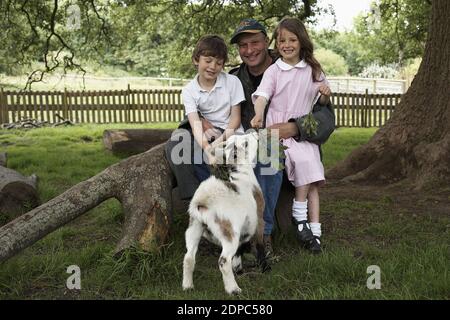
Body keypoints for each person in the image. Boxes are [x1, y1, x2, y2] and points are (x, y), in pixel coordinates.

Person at [250, 17, 332, 254]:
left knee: (311, 168)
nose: (286, 44)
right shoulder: (274, 70)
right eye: (282, 40)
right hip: (277, 130)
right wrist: (258, 115)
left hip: (301, 132)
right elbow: (262, 96)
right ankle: (282, 223)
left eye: (292, 40)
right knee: (283, 164)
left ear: (301, 41)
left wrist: (325, 94)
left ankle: (313, 231)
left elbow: (322, 102)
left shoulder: (313, 69)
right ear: (276, 44)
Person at [178, 35, 245, 183]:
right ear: (196, 60)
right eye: (208, 61)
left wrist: (218, 142)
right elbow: (195, 124)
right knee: (194, 152)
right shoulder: (189, 90)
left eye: (219, 63)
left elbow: (235, 119)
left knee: (231, 158)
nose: (213, 67)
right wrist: (207, 148)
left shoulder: (232, 82)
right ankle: (210, 191)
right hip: (207, 133)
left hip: (231, 133)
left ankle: (227, 188)